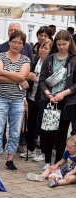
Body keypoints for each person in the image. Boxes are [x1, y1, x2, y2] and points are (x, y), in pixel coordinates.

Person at [0, 30, 31, 171]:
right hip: (0, 98)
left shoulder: (26, 60)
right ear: (9, 42)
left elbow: (22, 76)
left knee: (14, 131)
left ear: (23, 45)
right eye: (14, 41)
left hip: (17, 100)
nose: (17, 44)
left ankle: (10, 159)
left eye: (20, 43)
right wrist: (18, 78)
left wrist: (3, 72)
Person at [38, 30, 76, 169]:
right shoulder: (50, 59)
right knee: (48, 131)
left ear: (70, 42)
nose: (61, 47)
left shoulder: (74, 59)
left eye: (64, 44)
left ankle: (58, 162)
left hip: (67, 102)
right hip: (49, 100)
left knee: (61, 133)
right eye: (59, 44)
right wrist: (48, 94)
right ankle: (47, 161)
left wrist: (64, 93)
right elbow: (42, 79)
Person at [21, 39, 53, 161]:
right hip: (32, 97)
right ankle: (31, 149)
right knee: (29, 124)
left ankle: (44, 152)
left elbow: (50, 82)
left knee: (42, 126)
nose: (43, 50)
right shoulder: (35, 61)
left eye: (46, 48)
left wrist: (36, 79)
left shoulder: (51, 63)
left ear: (51, 50)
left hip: (44, 98)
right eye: (41, 47)